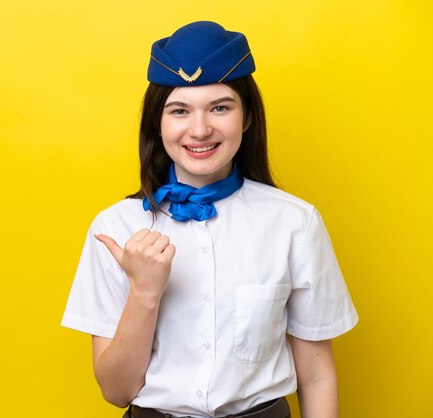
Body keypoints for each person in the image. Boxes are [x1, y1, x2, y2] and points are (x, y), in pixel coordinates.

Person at [61, 21, 358, 418]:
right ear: (158, 123)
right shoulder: (113, 228)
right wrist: (144, 292)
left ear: (248, 117)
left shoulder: (295, 222)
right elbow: (116, 391)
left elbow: (317, 375)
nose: (200, 130)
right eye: (179, 110)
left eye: (220, 107)